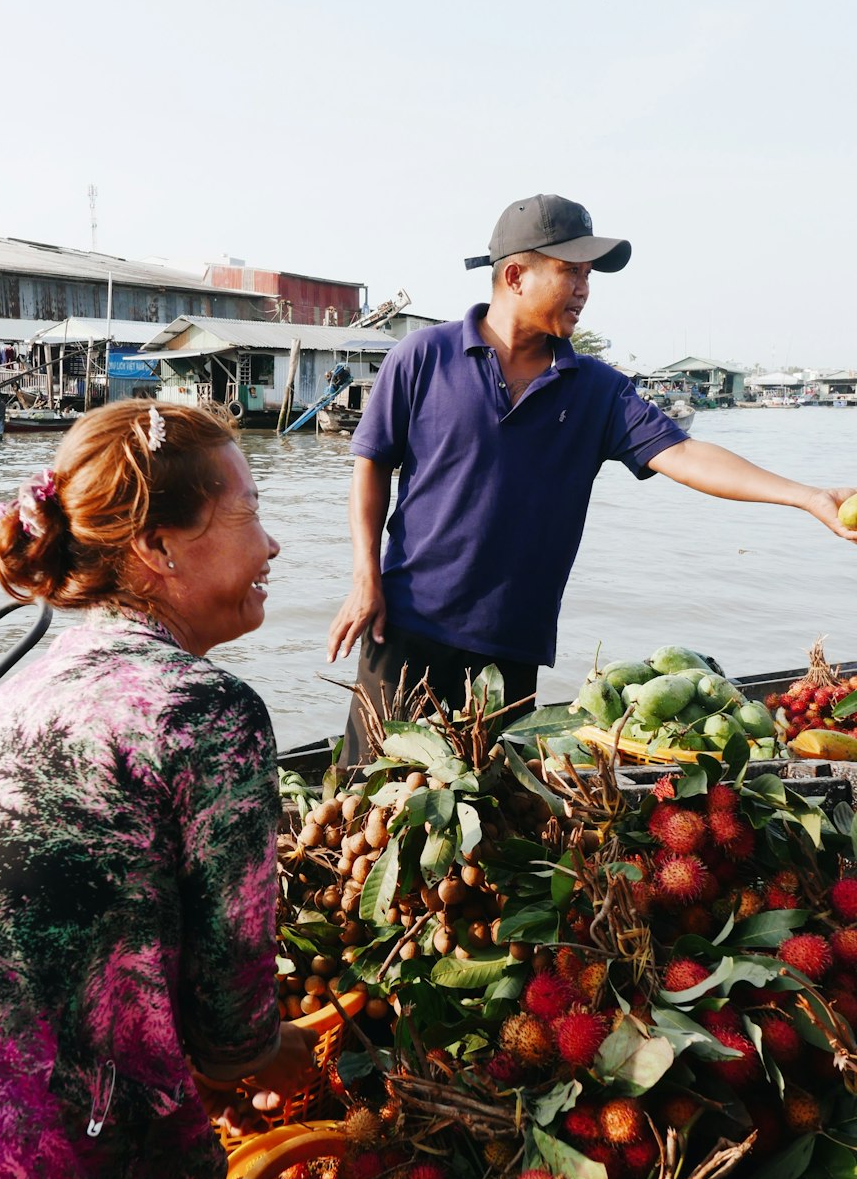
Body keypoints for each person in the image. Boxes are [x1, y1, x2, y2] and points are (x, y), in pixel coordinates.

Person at [0, 400, 316, 1179]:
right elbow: (231, 1028)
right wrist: (270, 1053)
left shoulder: (31, 687)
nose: (273, 545)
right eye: (252, 512)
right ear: (156, 547)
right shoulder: (205, 710)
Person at [328, 194, 857, 765]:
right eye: (571, 272)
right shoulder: (423, 356)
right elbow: (372, 463)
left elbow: (685, 453)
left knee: (478, 821)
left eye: (588, 275)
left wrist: (806, 496)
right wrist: (365, 577)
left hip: (509, 651)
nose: (585, 289)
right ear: (515, 275)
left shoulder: (596, 390)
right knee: (371, 803)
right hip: (405, 628)